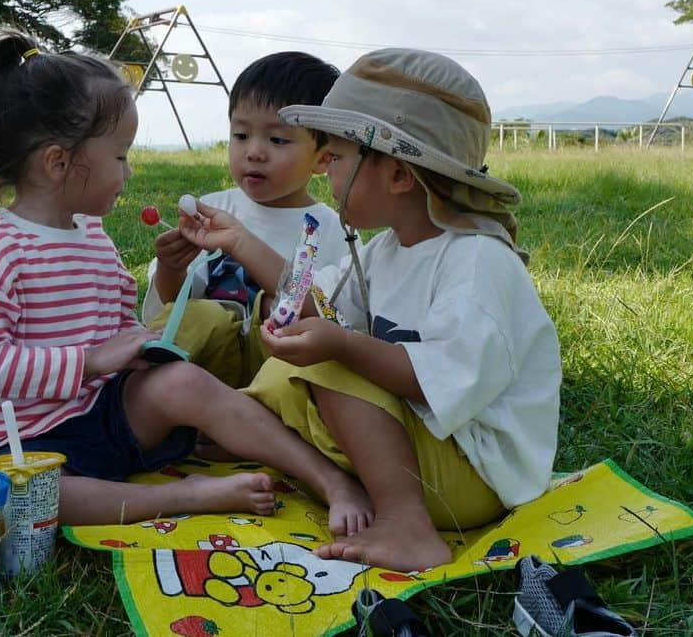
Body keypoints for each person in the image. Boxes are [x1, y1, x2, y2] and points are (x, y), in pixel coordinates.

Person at [0, 30, 371, 535]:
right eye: (120, 156)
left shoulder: (92, 235)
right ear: (59, 163)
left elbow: (118, 324)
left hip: (100, 414)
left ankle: (327, 479)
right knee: (16, 493)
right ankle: (180, 495)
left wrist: (140, 351)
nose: (128, 171)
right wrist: (92, 362)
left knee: (182, 382)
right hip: (20, 445)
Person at [177, 49, 562, 572]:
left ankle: (408, 524)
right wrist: (240, 242)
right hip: (423, 448)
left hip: (474, 472)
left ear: (399, 175)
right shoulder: (387, 249)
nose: (326, 170)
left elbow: (435, 380)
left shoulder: (475, 262)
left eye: (334, 157)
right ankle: (277, 452)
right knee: (289, 368)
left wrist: (339, 344)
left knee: (334, 363)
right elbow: (315, 303)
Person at [143, 52, 353, 388]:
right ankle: (141, 396)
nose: (254, 151)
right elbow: (171, 309)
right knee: (201, 314)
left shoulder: (331, 231)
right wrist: (171, 268)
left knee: (277, 311)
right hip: (204, 371)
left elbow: (338, 318)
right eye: (241, 135)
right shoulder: (211, 211)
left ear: (323, 159)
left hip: (277, 373)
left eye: (277, 139)